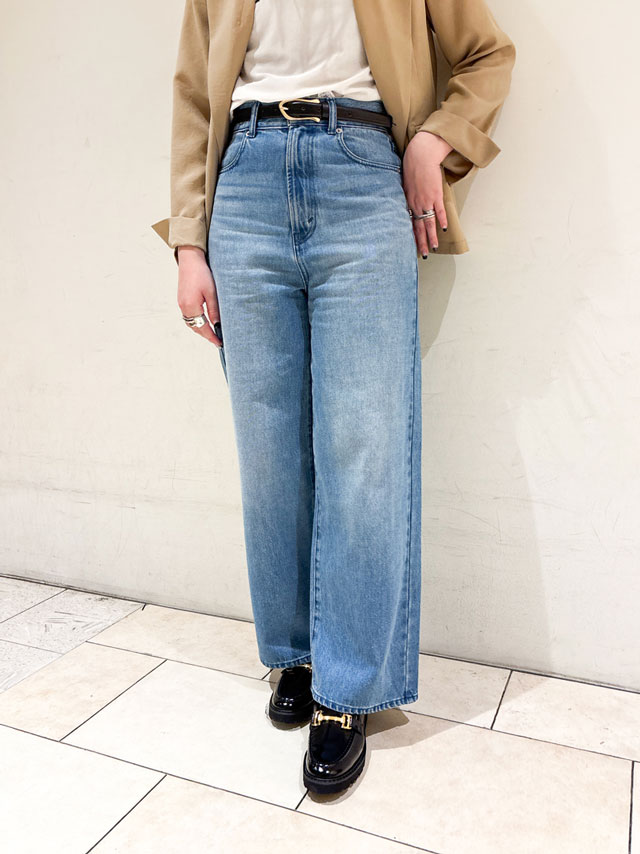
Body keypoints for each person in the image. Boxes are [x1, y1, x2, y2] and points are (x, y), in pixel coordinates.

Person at [151, 0, 515, 795]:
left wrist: (435, 139)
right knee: (270, 449)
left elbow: (487, 54)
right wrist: (188, 240)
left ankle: (346, 688)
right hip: (244, 182)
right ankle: (294, 653)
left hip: (362, 171)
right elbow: (193, 94)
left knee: (363, 444)